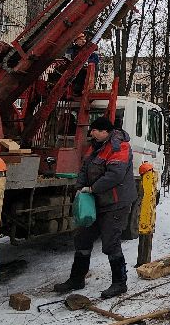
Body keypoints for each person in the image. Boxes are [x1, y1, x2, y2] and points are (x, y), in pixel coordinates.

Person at [54, 116, 137, 299]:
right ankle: (77, 279)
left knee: (111, 241)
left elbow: (115, 175)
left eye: (95, 130)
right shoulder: (95, 146)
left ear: (105, 131)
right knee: (82, 238)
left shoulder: (120, 146)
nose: (91, 133)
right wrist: (79, 189)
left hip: (116, 203)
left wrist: (92, 188)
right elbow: (84, 169)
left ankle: (119, 283)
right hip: (95, 201)